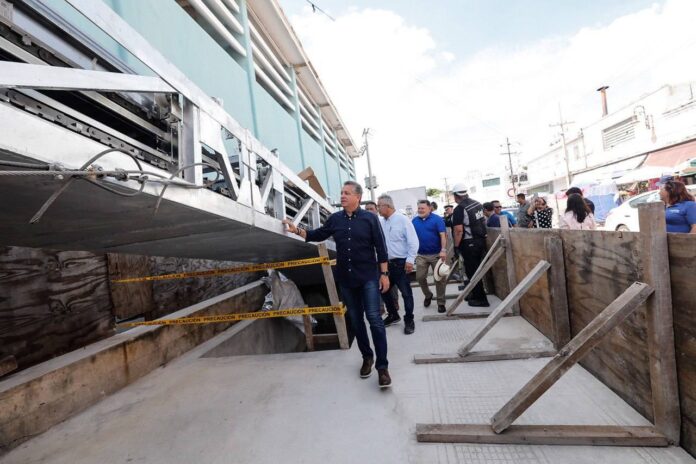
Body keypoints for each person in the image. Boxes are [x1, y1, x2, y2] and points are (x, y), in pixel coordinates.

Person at [282, 181, 392, 388]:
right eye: (341, 192)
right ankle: (367, 357)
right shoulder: (335, 219)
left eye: (347, 193)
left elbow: (381, 248)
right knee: (357, 322)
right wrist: (296, 229)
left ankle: (383, 367)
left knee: (375, 319)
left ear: (357, 197)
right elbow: (317, 235)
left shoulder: (370, 219)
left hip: (368, 276)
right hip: (346, 279)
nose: (342, 196)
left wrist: (384, 274)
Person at [378, 194, 420, 334]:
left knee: (406, 293)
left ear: (387, 206)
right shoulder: (381, 222)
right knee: (384, 290)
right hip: (385, 264)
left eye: (379, 206)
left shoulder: (402, 220)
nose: (378, 209)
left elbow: (413, 241)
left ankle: (409, 319)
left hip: (400, 263)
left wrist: (410, 260)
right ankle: (393, 315)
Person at [451, 183, 489, 307]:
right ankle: (475, 293)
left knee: (472, 271)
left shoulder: (459, 209)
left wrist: (456, 247)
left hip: (469, 244)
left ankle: (481, 299)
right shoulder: (477, 204)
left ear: (456, 196)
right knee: (477, 269)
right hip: (481, 241)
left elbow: (458, 230)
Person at [412, 200, 448, 313]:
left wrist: (443, 250)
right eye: (419, 208)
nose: (420, 210)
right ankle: (428, 295)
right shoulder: (414, 221)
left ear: (429, 208)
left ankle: (441, 302)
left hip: (436, 254)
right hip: (421, 255)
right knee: (420, 277)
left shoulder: (437, 219)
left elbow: (443, 235)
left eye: (422, 208)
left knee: (440, 279)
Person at [365, 199, 400, 314]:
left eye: (371, 209)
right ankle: (380, 307)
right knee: (376, 283)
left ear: (376, 210)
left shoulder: (382, 222)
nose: (369, 211)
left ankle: (395, 301)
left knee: (389, 281)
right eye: (367, 209)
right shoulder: (363, 223)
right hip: (371, 260)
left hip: (385, 259)